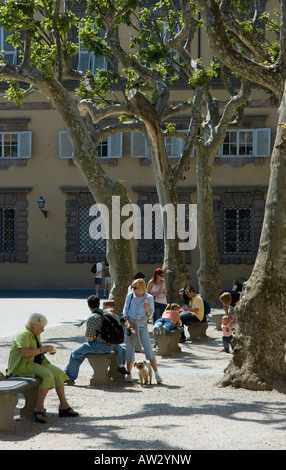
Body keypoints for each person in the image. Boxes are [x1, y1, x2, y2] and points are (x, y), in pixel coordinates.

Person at [7, 313, 78, 424]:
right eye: (41, 328)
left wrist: (47, 350)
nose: (43, 330)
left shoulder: (34, 333)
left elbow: (36, 350)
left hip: (34, 362)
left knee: (58, 373)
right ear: (33, 325)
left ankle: (64, 405)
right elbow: (25, 353)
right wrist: (42, 349)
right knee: (47, 375)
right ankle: (38, 408)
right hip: (22, 366)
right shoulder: (23, 335)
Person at [64, 295, 128, 385]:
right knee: (123, 349)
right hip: (113, 345)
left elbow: (90, 338)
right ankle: (115, 373)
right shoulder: (111, 315)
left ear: (89, 306)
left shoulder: (92, 318)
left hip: (100, 346)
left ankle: (69, 377)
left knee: (76, 353)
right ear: (99, 304)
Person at [122, 278, 162, 384]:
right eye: (133, 287)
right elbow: (125, 310)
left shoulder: (148, 298)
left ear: (141, 287)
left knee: (148, 348)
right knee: (130, 348)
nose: (133, 289)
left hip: (142, 326)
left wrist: (147, 308)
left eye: (135, 287)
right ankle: (129, 374)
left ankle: (157, 374)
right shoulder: (130, 296)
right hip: (131, 326)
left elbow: (150, 314)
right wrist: (127, 322)